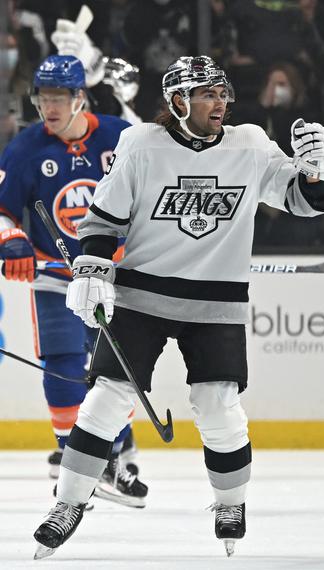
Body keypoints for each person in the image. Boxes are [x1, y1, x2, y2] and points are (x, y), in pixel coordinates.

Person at [32, 55, 324, 559]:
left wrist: (320, 172)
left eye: (223, 94)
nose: (220, 103)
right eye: (207, 95)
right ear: (178, 102)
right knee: (107, 399)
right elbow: (102, 222)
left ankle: (229, 504)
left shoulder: (251, 145)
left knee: (219, 407)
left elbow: (307, 202)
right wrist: (90, 271)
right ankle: (68, 504)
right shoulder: (141, 145)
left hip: (216, 301)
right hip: (141, 296)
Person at [0, 54, 147, 507]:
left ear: (80, 97)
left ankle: (115, 455)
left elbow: (156, 192)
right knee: (63, 363)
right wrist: (12, 240)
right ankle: (74, 458)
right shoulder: (26, 148)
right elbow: (2, 209)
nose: (50, 107)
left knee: (114, 369)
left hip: (114, 275)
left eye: (59, 97)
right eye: (43, 98)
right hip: (56, 274)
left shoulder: (119, 137)